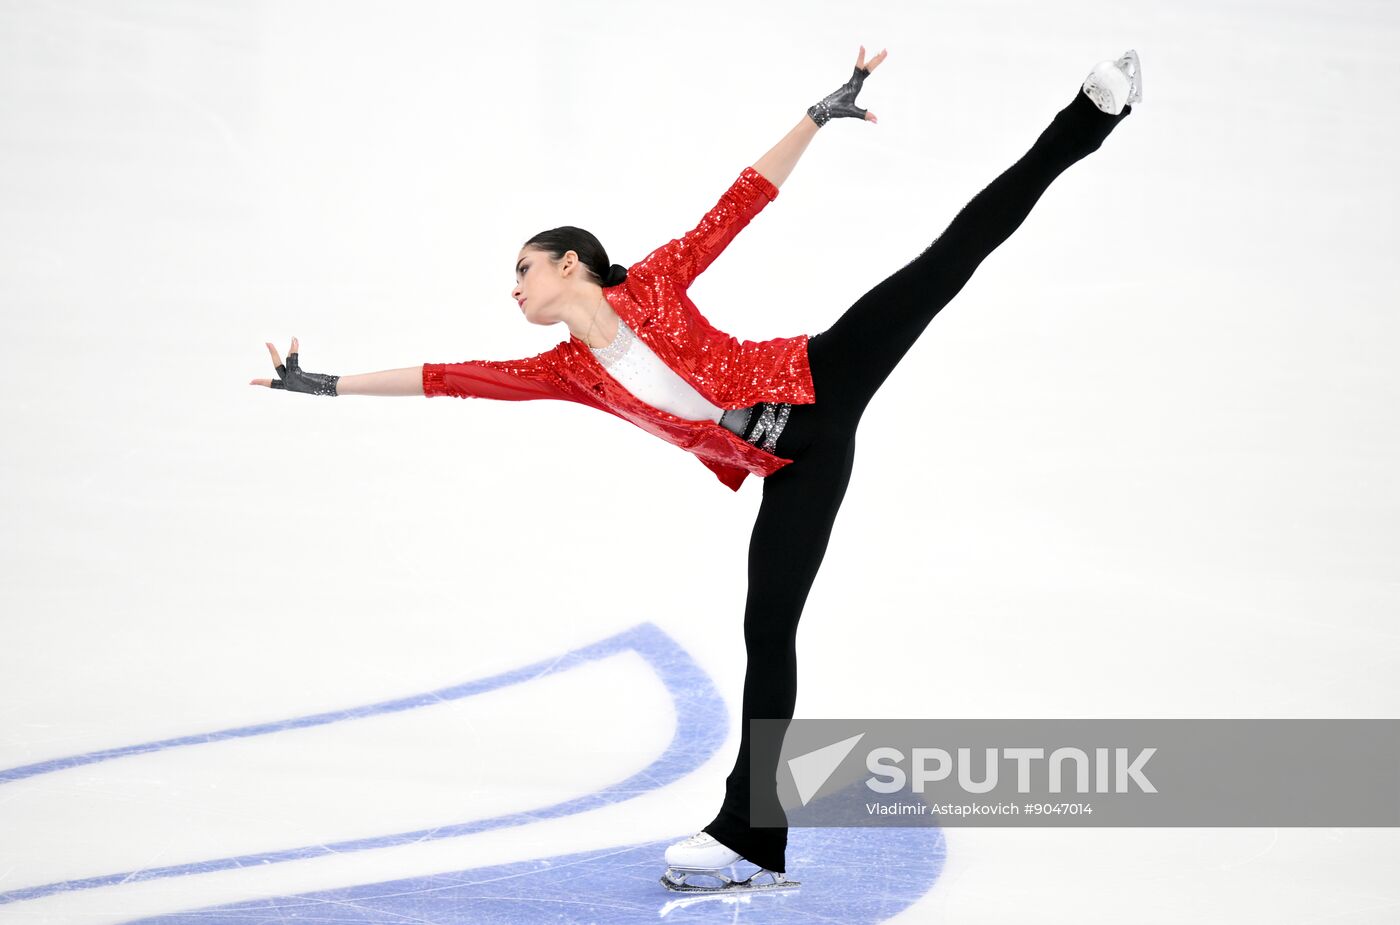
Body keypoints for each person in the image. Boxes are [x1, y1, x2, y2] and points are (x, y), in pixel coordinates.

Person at [250, 46, 1142, 894]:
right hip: (793, 463)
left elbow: (740, 201)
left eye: (522, 269)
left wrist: (815, 116)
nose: (513, 287)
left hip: (820, 376)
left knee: (949, 257)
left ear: (572, 265)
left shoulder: (658, 281)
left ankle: (1086, 119)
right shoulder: (564, 370)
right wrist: (325, 384)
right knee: (769, 633)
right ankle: (755, 837)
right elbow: (449, 379)